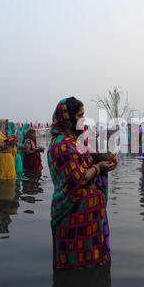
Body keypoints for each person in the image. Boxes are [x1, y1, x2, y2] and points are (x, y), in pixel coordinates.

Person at [48, 97, 116, 269]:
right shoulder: (62, 144)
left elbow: (91, 157)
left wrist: (106, 158)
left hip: (88, 217)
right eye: (80, 116)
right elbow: (78, 178)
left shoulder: (76, 140)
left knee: (93, 268)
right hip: (71, 214)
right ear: (66, 118)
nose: (83, 120)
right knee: (73, 268)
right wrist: (99, 168)